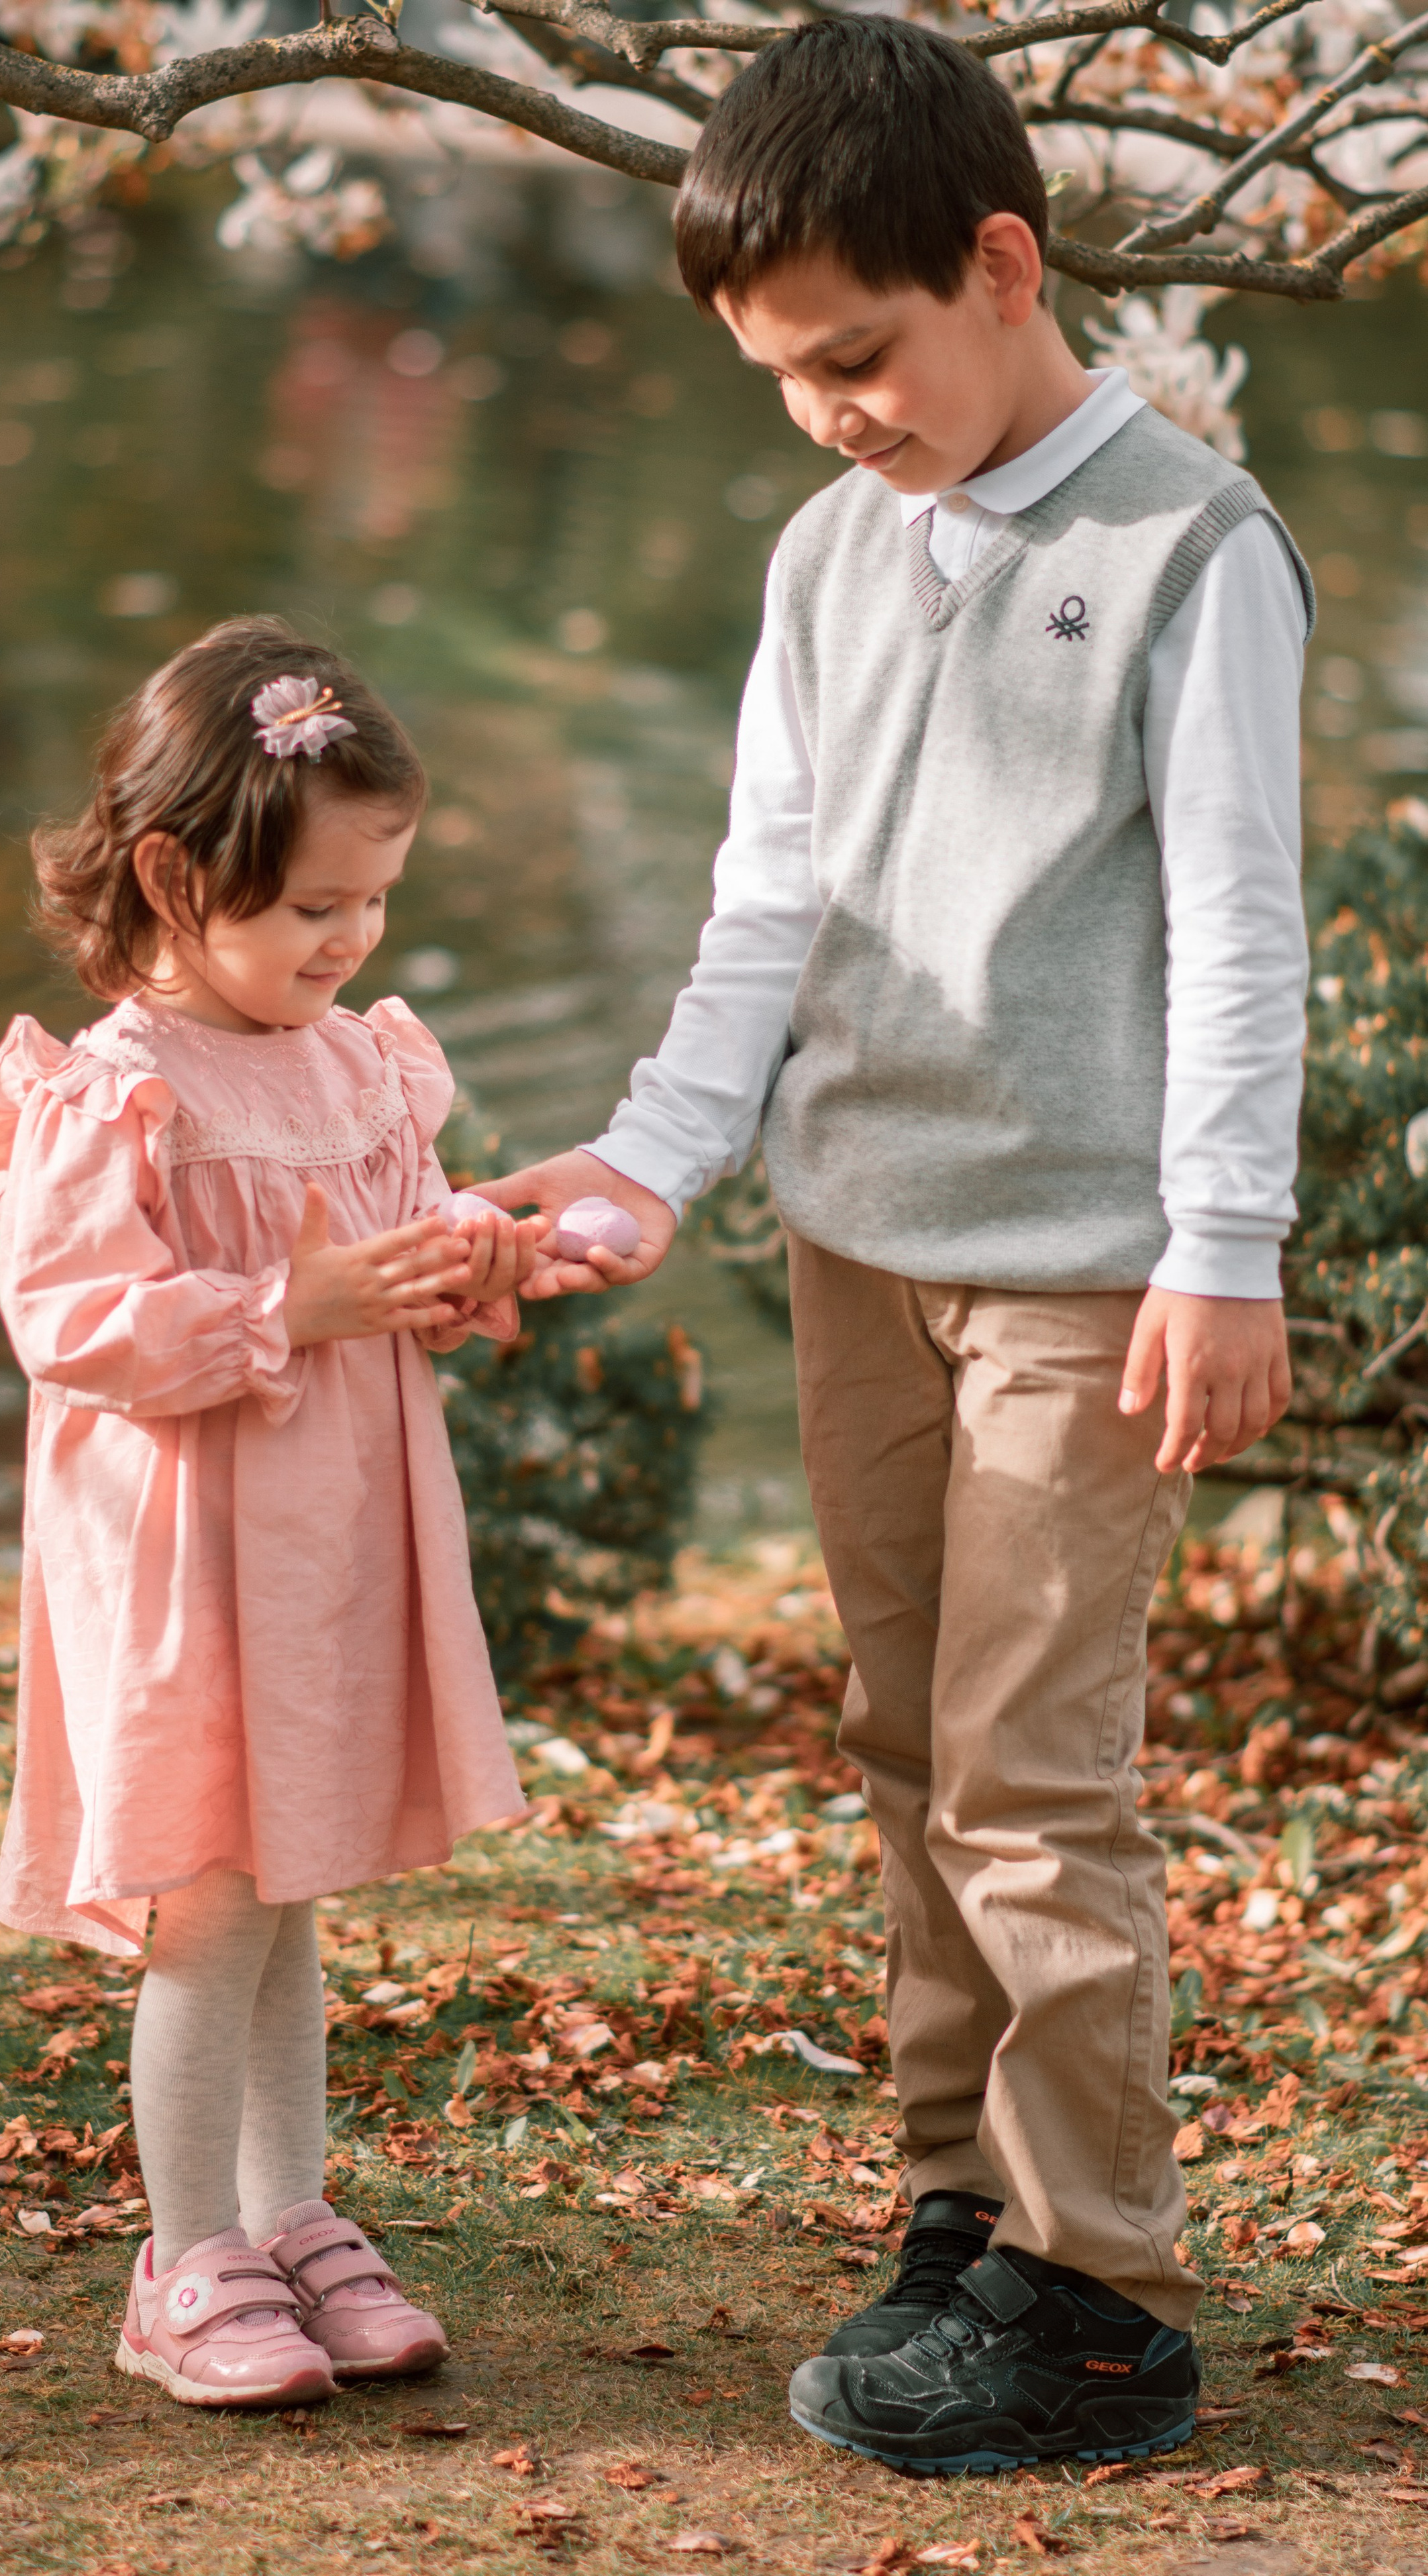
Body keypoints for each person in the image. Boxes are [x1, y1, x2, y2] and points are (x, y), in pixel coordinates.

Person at [484, 17, 1311, 2477]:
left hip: (1088, 1267)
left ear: (1001, 263)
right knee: (904, 1746)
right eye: (780, 381)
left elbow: (1248, 929)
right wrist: (650, 1162)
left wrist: (1227, 1244)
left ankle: (1096, 2292)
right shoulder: (829, 555)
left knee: (1037, 1779)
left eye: (861, 357)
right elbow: (769, 914)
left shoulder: (1193, 546)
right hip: (866, 1242)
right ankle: (966, 2205)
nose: (830, 414)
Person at [0, 617, 536, 2409]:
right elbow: (74, 1326)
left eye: (374, 903)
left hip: (331, 1537)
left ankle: (286, 2214)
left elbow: (385, 1256)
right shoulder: (116, 1093)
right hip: (186, 1550)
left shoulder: (358, 1061)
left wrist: (469, 1260)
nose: (353, 942)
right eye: (313, 911)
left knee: (293, 1890)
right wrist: (288, 1310)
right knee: (211, 1893)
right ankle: (180, 2254)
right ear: (169, 873)